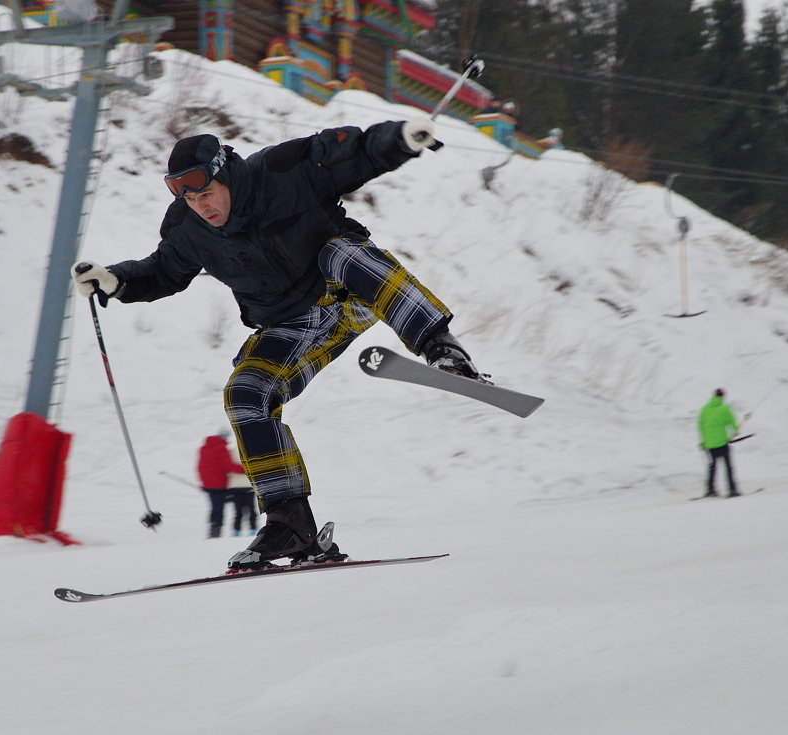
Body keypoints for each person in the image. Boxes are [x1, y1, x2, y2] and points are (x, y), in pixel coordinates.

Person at [71, 119, 483, 571]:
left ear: (224, 174)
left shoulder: (283, 173)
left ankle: (440, 346)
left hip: (347, 292)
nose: (201, 206)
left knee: (338, 251)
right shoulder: (189, 227)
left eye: (206, 194)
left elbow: (354, 153)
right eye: (189, 198)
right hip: (292, 323)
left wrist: (400, 139)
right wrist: (116, 280)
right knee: (246, 395)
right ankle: (292, 526)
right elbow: (164, 270)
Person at [197, 431, 244, 538]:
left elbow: (200, 467)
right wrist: (243, 469)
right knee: (220, 506)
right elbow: (228, 466)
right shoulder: (221, 448)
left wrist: (203, 483)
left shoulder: (204, 448)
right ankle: (216, 532)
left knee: (214, 506)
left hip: (208, 484)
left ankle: (213, 528)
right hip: (219, 484)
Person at [697, 388, 742, 498]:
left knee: (712, 467)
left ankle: (710, 489)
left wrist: (703, 441)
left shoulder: (704, 409)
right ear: (723, 396)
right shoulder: (724, 408)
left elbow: (700, 425)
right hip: (722, 443)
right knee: (727, 466)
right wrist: (736, 431)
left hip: (709, 445)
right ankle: (732, 489)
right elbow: (732, 423)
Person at [226, 469, 258, 537]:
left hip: (237, 486)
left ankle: (237, 530)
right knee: (250, 510)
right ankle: (252, 528)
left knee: (239, 511)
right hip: (246, 485)